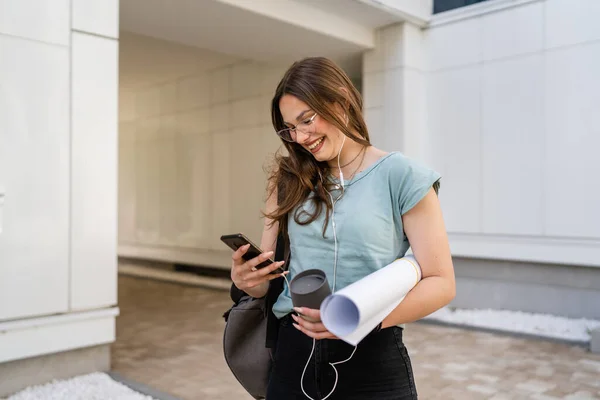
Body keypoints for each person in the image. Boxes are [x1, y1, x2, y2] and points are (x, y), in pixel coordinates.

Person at [230, 57, 455, 400]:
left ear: (340, 101)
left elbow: (441, 282)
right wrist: (248, 282)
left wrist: (359, 319)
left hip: (372, 363)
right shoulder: (288, 179)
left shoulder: (403, 177)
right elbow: (271, 279)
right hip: (293, 361)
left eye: (307, 120)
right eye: (290, 128)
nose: (300, 137)